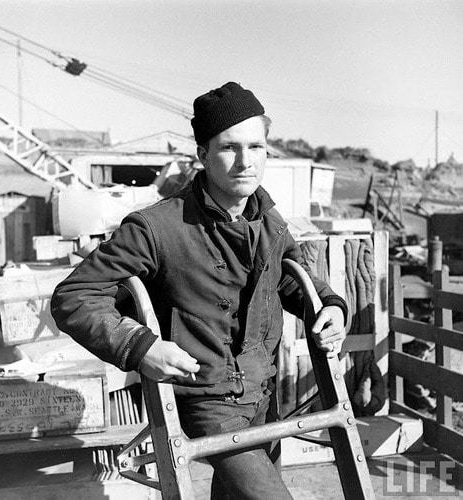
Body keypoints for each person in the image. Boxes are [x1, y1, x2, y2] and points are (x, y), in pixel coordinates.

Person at [51, 82, 347, 499]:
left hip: (263, 394)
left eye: (256, 147)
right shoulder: (156, 227)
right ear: (203, 155)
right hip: (206, 400)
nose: (245, 161)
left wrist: (330, 306)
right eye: (229, 148)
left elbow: (286, 276)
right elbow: (74, 297)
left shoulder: (268, 219)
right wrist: (141, 347)